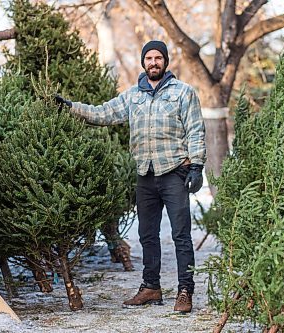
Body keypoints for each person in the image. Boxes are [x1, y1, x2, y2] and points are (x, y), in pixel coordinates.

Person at [55, 40, 206, 313]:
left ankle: (185, 291)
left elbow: (196, 130)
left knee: (181, 234)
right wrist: (70, 107)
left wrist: (196, 166)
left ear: (166, 61)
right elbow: (102, 113)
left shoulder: (183, 93)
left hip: (175, 172)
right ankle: (151, 288)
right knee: (147, 234)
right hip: (145, 175)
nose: (153, 62)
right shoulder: (132, 96)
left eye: (158, 57)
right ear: (143, 62)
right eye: (149, 58)